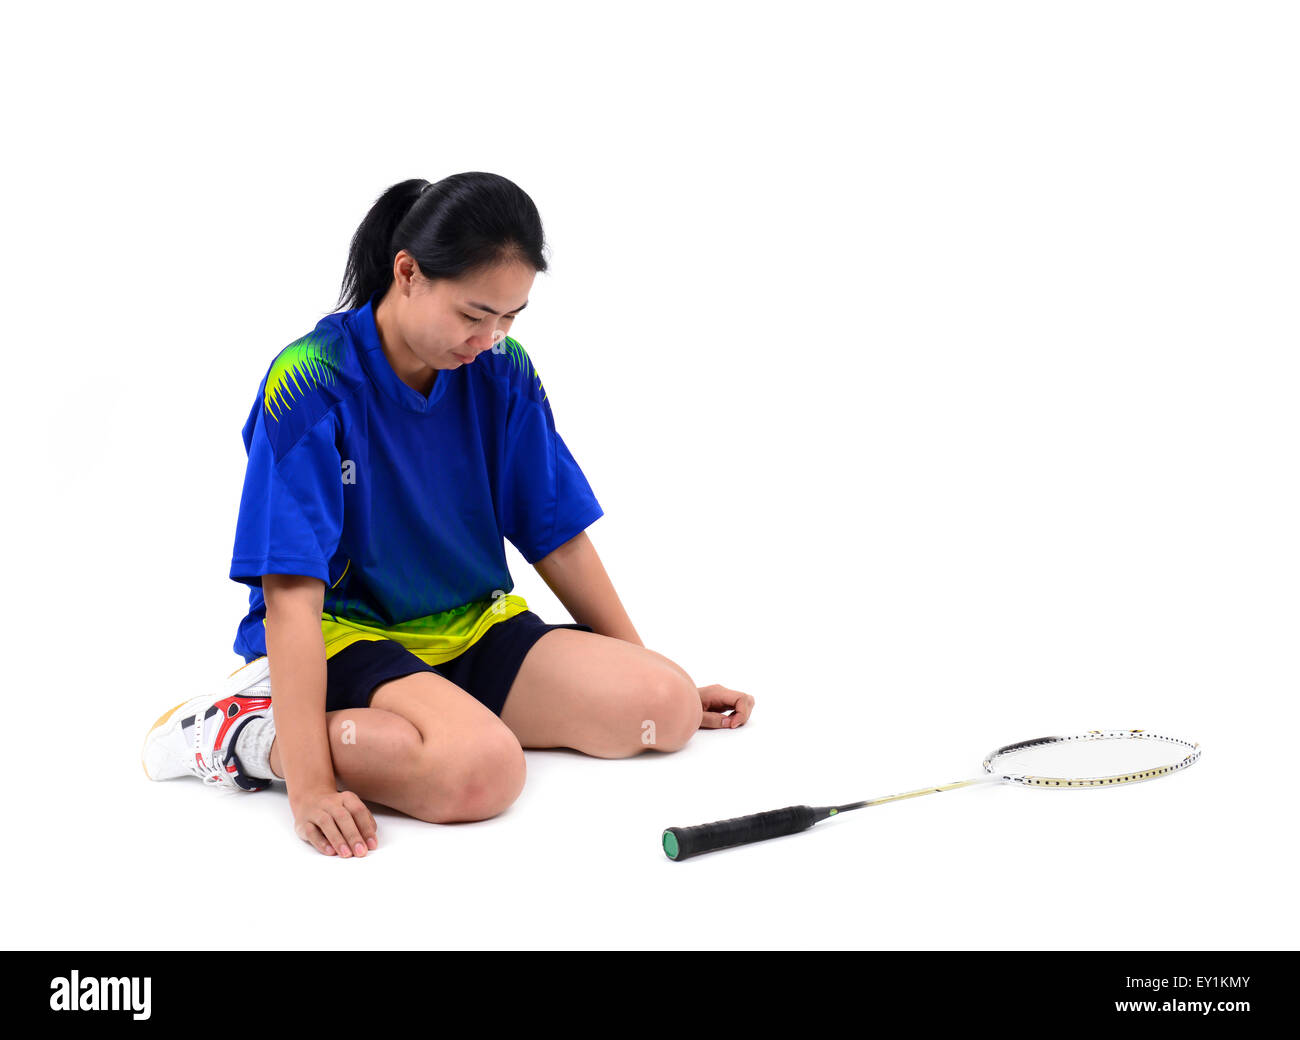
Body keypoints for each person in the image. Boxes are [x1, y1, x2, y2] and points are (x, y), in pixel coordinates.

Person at [141, 173, 755, 858]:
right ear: (408, 273)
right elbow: (289, 592)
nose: (489, 337)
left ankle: (440, 713)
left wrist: (641, 669)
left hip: (470, 626)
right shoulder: (310, 380)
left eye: (510, 317)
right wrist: (310, 786)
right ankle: (249, 734)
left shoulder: (503, 371)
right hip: (345, 634)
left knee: (664, 710)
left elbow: (557, 536)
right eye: (473, 315)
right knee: (483, 776)